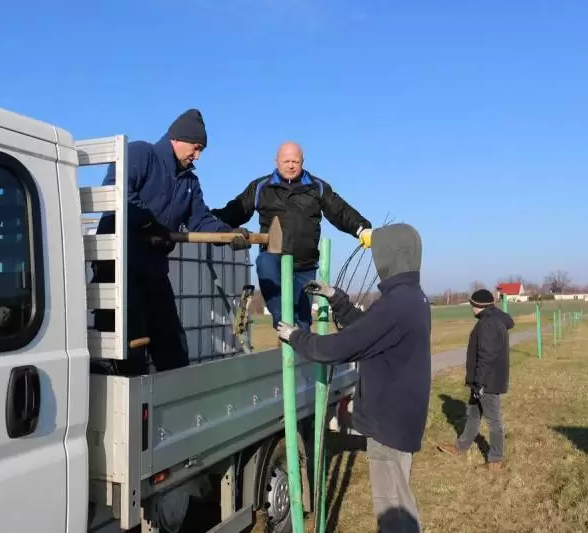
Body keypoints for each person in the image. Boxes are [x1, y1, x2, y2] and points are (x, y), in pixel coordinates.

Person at [276, 223, 430, 533]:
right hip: (402, 418)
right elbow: (368, 329)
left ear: (391, 255)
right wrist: (336, 297)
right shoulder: (412, 297)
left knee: (393, 510)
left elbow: (338, 348)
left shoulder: (395, 305)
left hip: (389, 424)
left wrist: (295, 337)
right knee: (399, 499)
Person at [91, 108, 250, 374]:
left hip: (153, 269)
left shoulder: (190, 182)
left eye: (201, 150)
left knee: (172, 345)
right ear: (177, 138)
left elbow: (200, 220)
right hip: (118, 265)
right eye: (196, 148)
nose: (197, 156)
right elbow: (116, 191)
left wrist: (228, 233)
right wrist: (148, 224)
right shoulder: (141, 154)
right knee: (129, 347)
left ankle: (176, 394)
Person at [211, 141, 371, 333]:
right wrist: (212, 221)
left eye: (295, 161)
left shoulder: (317, 187)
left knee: (302, 325)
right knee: (265, 265)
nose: (291, 166)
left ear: (302, 162)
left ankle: (298, 339)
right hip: (274, 260)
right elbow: (236, 210)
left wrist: (362, 229)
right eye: (286, 161)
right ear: (276, 161)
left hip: (305, 266)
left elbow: (340, 211)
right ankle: (281, 320)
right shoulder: (261, 187)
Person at [437, 289, 514, 470]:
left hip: (487, 382)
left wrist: (479, 383)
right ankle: (460, 447)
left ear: (478, 306)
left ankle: (495, 460)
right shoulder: (494, 319)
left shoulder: (488, 324)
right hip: (482, 381)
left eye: (472, 304)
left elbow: (486, 357)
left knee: (493, 421)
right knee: (473, 415)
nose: (471, 308)